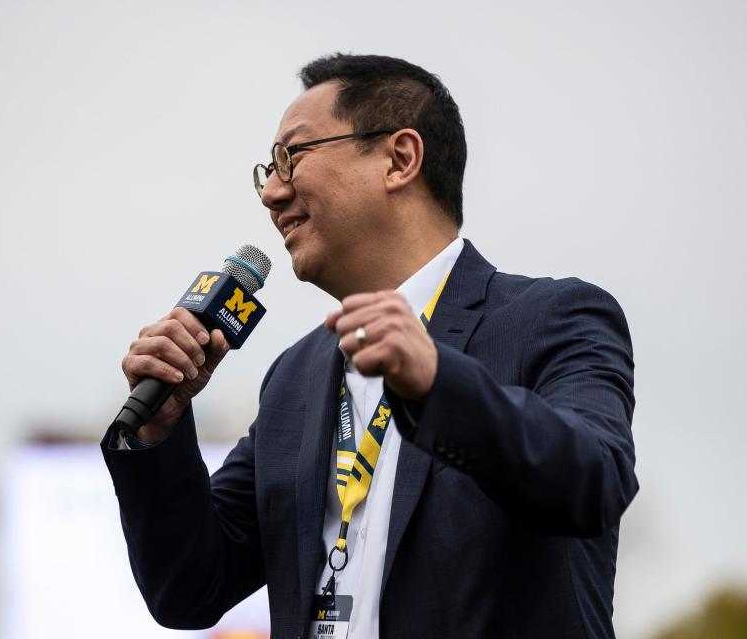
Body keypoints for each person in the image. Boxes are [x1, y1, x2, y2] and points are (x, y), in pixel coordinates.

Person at [101, 53, 637, 639]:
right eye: (268, 170)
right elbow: (189, 589)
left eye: (292, 156)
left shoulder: (553, 319)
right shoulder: (295, 377)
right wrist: (161, 429)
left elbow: (595, 481)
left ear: (399, 159)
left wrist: (436, 381)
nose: (271, 194)